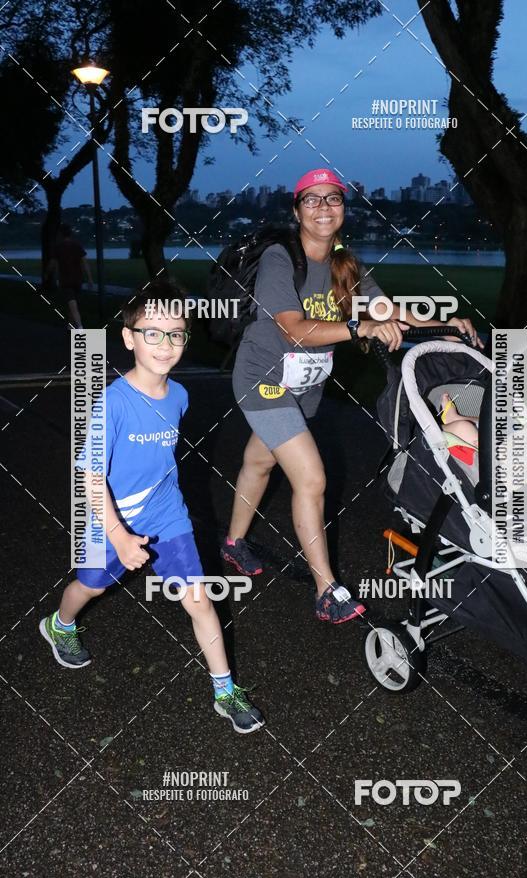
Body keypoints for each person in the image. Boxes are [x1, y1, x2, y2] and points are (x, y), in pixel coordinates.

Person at [223, 167, 482, 624]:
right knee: (312, 478)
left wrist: (445, 326)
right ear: (296, 210)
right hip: (263, 377)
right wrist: (357, 326)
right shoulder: (280, 259)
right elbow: (293, 328)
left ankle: (233, 544)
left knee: (260, 462)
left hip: (306, 382)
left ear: (344, 208)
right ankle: (326, 590)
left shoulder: (346, 265)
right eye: (312, 199)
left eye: (333, 199)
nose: (324, 207)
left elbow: (389, 311)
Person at [39, 282, 264, 734]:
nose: (166, 345)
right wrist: (120, 536)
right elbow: (88, 477)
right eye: (152, 333)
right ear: (129, 338)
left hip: (165, 515)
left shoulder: (179, 396)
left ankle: (225, 691)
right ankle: (60, 624)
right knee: (91, 587)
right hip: (110, 517)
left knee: (199, 599)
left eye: (176, 334)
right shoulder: (112, 404)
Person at [46, 223, 94, 328]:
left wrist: (47, 274)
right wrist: (90, 279)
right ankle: (70, 326)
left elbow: (52, 264)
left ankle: (80, 327)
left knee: (72, 303)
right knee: (73, 303)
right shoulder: (77, 246)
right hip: (78, 279)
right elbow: (85, 263)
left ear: (60, 234)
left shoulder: (58, 248)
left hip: (66, 280)